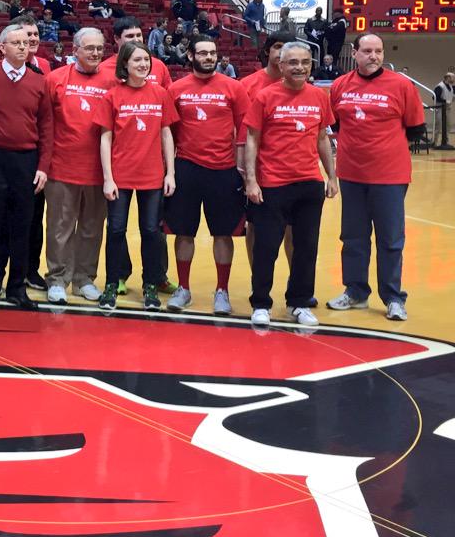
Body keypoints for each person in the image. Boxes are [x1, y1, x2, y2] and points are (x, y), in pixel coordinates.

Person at [326, 34, 425, 321]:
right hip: (351, 174)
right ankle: (356, 292)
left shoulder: (401, 86)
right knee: (353, 237)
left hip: (390, 175)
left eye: (378, 51)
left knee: (390, 239)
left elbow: (415, 129)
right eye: (367, 51)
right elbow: (335, 124)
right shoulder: (340, 85)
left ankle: (393, 297)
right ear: (355, 53)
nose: (374, 56)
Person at [244, 42, 338, 328]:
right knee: (266, 248)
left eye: (305, 62)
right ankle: (261, 303)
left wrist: (331, 176)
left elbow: (322, 138)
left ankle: (299, 302)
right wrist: (251, 180)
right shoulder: (265, 96)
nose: (300, 67)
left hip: (309, 183)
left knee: (306, 248)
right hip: (273, 184)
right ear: (281, 65)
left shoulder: (319, 96)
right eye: (293, 62)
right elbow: (252, 139)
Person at [0, 24, 53, 310]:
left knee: (22, 225)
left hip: (26, 160)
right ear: (2, 47)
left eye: (25, 43)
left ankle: (17, 287)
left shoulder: (39, 81)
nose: (22, 46)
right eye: (15, 42)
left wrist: (43, 166)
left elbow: (46, 126)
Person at [165, 39, 250, 315]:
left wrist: (243, 169)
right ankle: (183, 288)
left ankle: (222, 291)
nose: (209, 57)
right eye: (203, 53)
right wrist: (169, 169)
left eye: (213, 53)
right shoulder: (176, 89)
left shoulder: (234, 87)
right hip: (186, 168)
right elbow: (168, 132)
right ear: (191, 55)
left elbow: (244, 130)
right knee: (183, 232)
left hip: (224, 170)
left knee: (223, 233)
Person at [96, 43, 178, 311]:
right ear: (125, 64)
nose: (143, 64)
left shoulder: (160, 93)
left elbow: (166, 134)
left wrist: (170, 173)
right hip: (120, 175)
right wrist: (108, 178)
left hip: (152, 176)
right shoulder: (112, 96)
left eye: (146, 59)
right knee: (116, 230)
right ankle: (111, 284)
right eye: (137, 60)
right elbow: (105, 138)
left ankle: (150, 286)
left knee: (151, 231)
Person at [42, 28, 109, 304]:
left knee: (92, 228)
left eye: (99, 48)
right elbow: (45, 125)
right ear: (75, 50)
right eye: (90, 48)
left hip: (99, 170)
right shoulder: (55, 79)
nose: (95, 53)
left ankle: (84, 279)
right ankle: (57, 279)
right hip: (61, 166)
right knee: (60, 228)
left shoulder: (113, 81)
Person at [433, 72, 455, 144]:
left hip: (447, 109)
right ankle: (434, 142)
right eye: (453, 77)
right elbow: (434, 97)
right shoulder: (440, 86)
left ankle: (445, 142)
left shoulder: (451, 86)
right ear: (448, 78)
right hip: (439, 108)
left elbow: (451, 95)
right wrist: (445, 101)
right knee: (438, 126)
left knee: (448, 126)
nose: (454, 79)